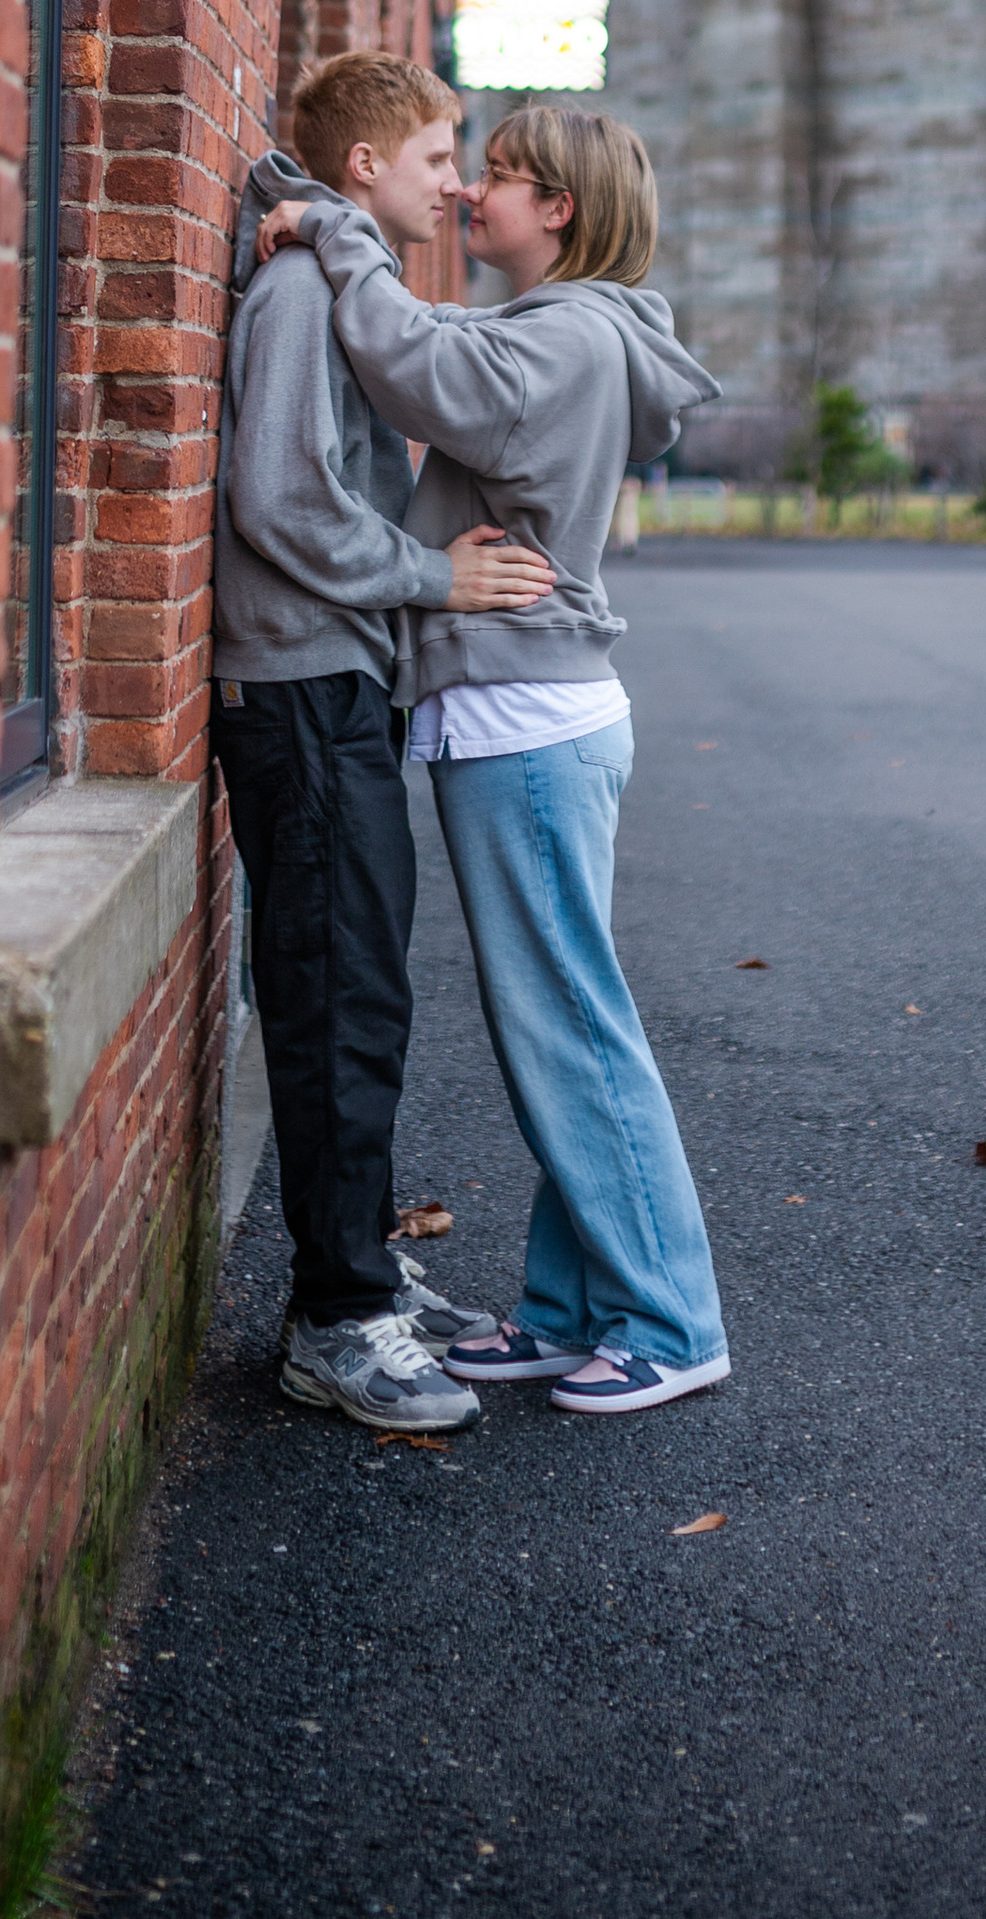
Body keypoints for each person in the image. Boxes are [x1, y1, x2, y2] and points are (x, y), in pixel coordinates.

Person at [253, 103, 730, 1415]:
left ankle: (670, 1320)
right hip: (526, 714)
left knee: (569, 1023)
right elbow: (443, 347)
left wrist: (342, 232)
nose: (474, 198)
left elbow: (416, 366)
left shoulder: (569, 335)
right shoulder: (564, 329)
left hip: (529, 720)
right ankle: (574, 1309)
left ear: (559, 211)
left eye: (502, 182)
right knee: (553, 1025)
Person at [213, 51, 552, 1433]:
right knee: (339, 995)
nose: (458, 182)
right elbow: (281, 502)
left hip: (333, 688)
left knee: (359, 988)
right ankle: (335, 1321)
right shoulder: (301, 291)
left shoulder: (334, 277)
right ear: (365, 167)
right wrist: (436, 581)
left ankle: (356, 1273)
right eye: (436, 158)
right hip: (298, 696)